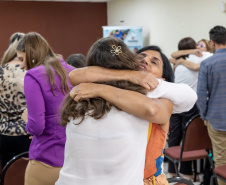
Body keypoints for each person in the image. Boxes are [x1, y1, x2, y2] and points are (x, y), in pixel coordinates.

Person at [58, 40, 197, 185]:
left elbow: (177, 100)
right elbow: (75, 75)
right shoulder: (100, 91)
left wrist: (100, 89)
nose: (145, 61)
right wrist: (128, 76)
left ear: (163, 79)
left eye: (154, 62)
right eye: (141, 57)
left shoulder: (160, 97)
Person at [17, 32, 74, 185]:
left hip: (46, 157)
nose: (22, 65)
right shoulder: (72, 71)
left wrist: (27, 120)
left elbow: (36, 126)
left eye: (22, 59)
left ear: (32, 55)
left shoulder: (33, 75)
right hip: (73, 157)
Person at [167, 37, 205, 179]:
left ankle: (171, 171)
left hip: (175, 102)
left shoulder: (177, 62)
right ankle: (187, 173)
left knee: (174, 136)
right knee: (188, 137)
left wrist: (181, 60)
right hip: (190, 103)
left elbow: (173, 55)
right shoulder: (196, 59)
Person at [197, 25, 226, 185]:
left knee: (221, 161)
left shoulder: (207, 64)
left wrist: (204, 115)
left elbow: (201, 96)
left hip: (217, 120)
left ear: (212, 42)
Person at [0, 32, 31, 168]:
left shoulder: (1, 70)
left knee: (8, 175)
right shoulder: (30, 71)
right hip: (26, 132)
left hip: (3, 133)